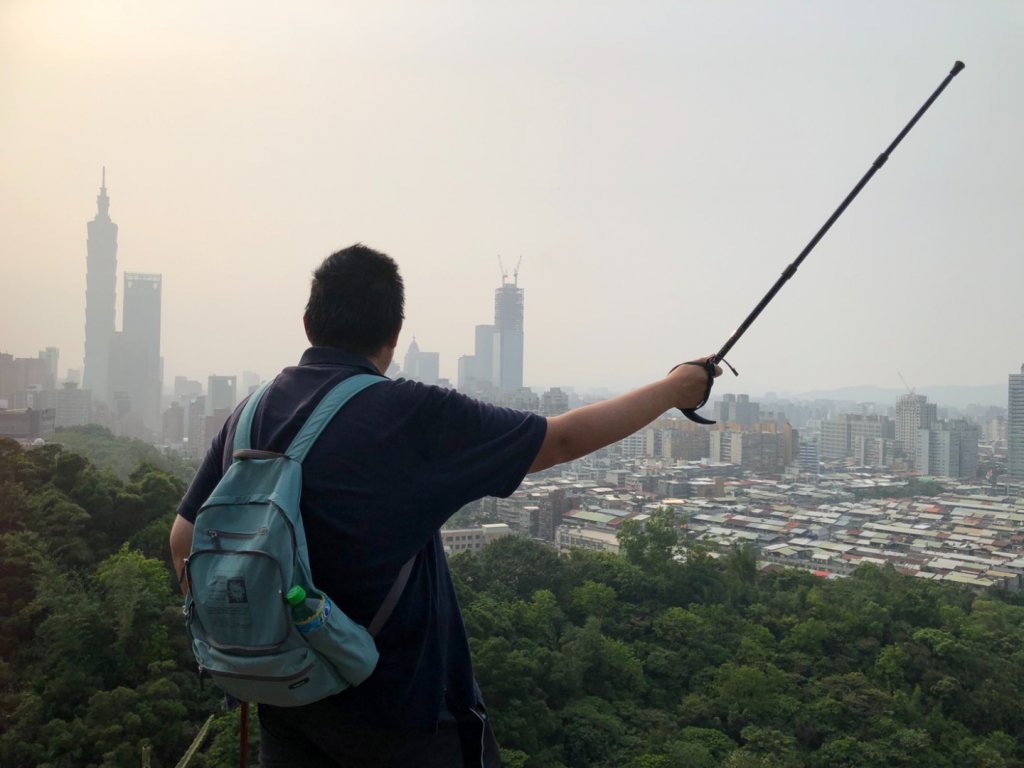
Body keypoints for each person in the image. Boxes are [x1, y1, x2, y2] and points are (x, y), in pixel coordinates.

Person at [169, 243, 719, 767]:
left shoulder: (250, 413)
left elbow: (183, 542)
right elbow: (561, 440)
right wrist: (674, 389)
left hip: (286, 703)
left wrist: (247, 633)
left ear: (308, 323)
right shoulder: (409, 413)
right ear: (393, 334)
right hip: (401, 714)